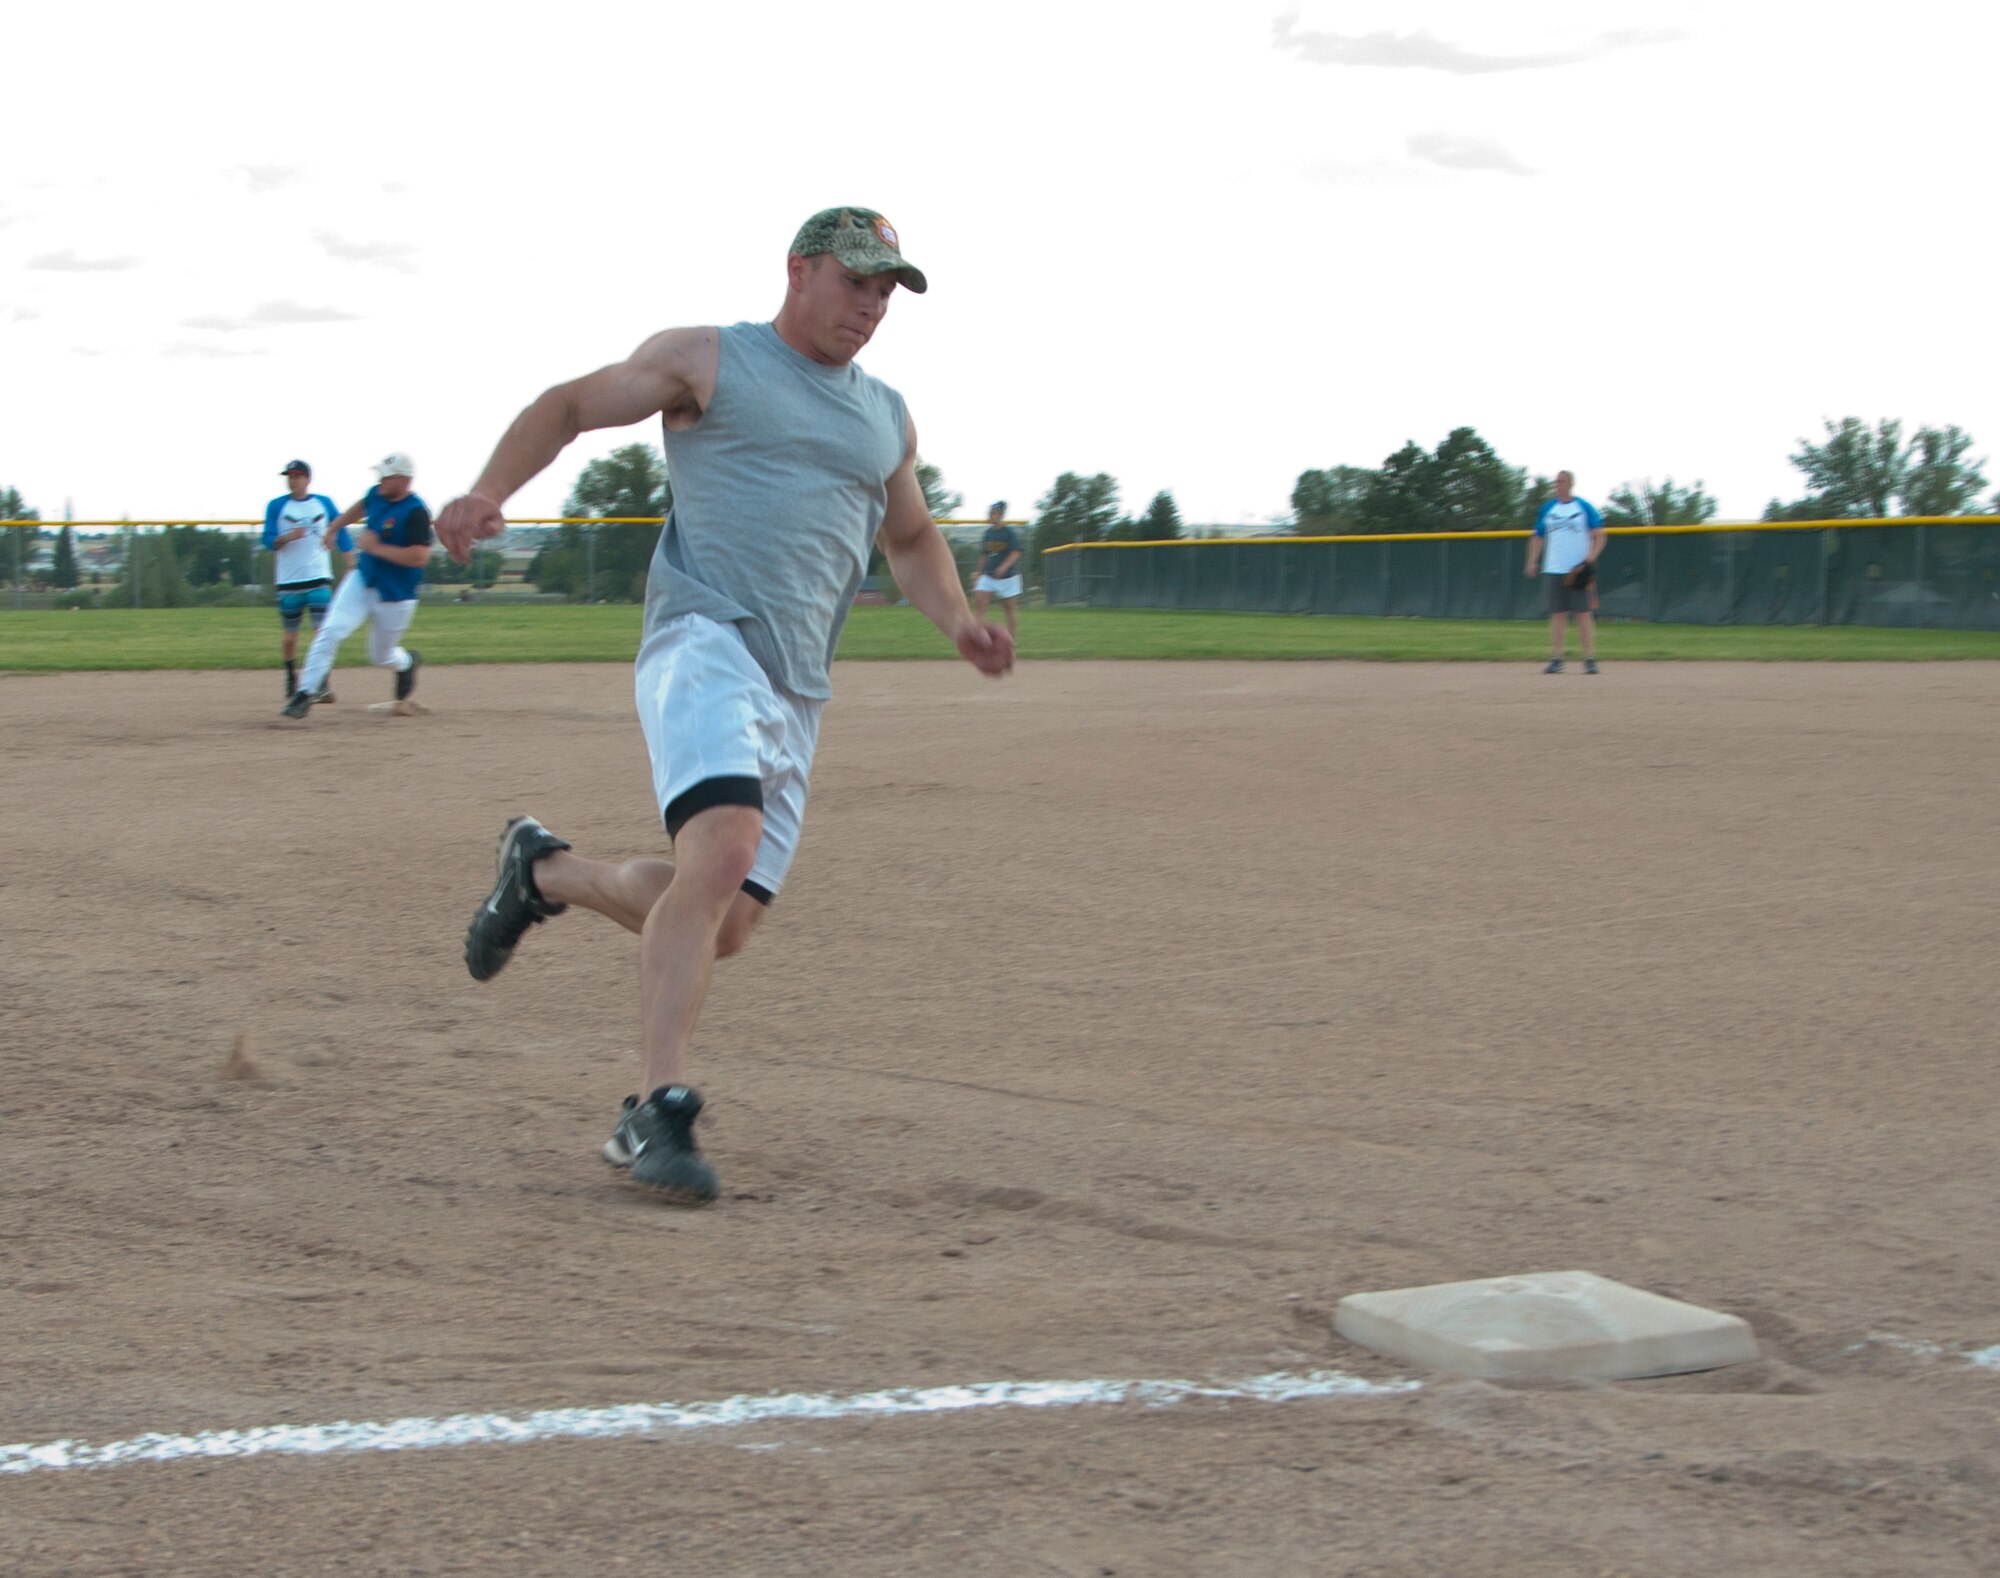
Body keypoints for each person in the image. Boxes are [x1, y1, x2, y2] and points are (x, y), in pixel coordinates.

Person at [435, 206, 1013, 1205]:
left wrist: (956, 622)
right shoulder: (708, 361)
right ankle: (653, 1110)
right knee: (725, 847)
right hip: (702, 641)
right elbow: (570, 405)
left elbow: (910, 539)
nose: (872, 302)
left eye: (887, 287)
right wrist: (489, 488)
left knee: (726, 919)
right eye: (855, 278)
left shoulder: (885, 415)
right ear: (797, 271)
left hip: (795, 685)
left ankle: (543, 870)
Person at [281, 454, 430, 719]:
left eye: (387, 475)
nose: (380, 480)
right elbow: (361, 507)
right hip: (363, 579)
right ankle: (304, 693)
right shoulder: (377, 494)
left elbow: (419, 557)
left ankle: (407, 662)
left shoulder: (416, 512)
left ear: (405, 480)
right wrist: (334, 527)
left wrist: (377, 548)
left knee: (380, 656)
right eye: (380, 474)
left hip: (396, 595)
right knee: (330, 630)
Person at [262, 460, 352, 702]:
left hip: (319, 577)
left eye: (298, 476)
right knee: (291, 635)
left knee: (320, 633)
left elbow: (340, 528)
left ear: (308, 479)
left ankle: (321, 682)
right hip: (289, 580)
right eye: (290, 476)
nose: (293, 480)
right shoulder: (277, 506)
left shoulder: (323, 502)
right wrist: (287, 537)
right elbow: (268, 540)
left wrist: (349, 559)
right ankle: (291, 676)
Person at [1525, 470, 1607, 674]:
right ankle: (1557, 658)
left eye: (1561, 481)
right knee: (1557, 614)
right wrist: (1532, 561)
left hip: (1577, 569)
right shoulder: (1548, 509)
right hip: (1553, 568)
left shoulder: (1583, 507)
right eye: (1556, 481)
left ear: (1570, 484)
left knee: (1583, 613)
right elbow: (1538, 537)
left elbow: (1600, 535)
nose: (1557, 484)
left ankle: (1589, 659)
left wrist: (1590, 558)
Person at [971, 500, 1022, 638]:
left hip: (1007, 578)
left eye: (993, 513)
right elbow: (984, 555)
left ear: (1000, 515)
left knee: (1009, 609)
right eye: (990, 513)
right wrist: (979, 574)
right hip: (988, 576)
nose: (991, 516)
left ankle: (1010, 641)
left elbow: (1016, 552)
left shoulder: (1008, 533)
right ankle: (979, 639)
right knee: (980, 605)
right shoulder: (988, 533)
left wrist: (1003, 567)